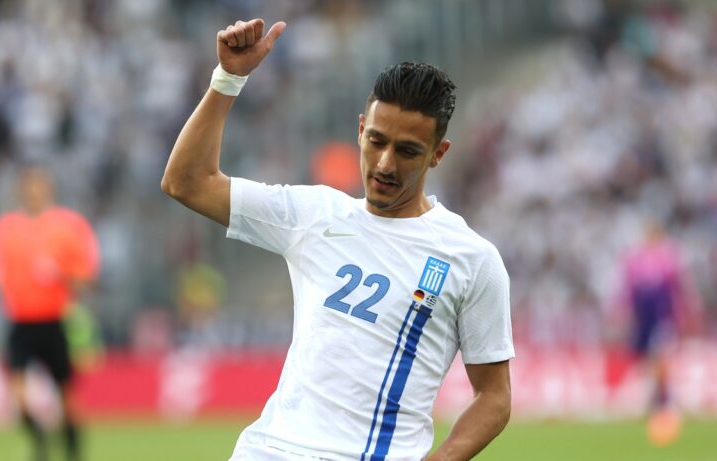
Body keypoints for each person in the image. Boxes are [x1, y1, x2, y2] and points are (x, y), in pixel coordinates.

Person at [162, 18, 514, 460]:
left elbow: (494, 396)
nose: (384, 164)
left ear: (438, 154)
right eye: (376, 141)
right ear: (360, 130)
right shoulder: (314, 214)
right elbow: (187, 181)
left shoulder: (471, 259)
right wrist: (228, 78)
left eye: (407, 151)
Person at [0, 165, 100, 461]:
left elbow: (86, 279)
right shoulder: (5, 228)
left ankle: (73, 451)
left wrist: (59, 273)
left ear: (49, 189)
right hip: (20, 321)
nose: (34, 192)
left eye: (39, 186)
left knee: (67, 397)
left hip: (54, 321)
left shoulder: (69, 226)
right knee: (18, 396)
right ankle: (40, 442)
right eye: (29, 186)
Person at [610, 221, 702, 446]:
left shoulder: (669, 258)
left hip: (663, 318)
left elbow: (681, 289)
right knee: (649, 362)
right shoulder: (635, 260)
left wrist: (687, 313)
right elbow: (627, 292)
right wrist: (622, 314)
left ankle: (664, 403)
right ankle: (660, 403)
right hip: (644, 321)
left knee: (660, 358)